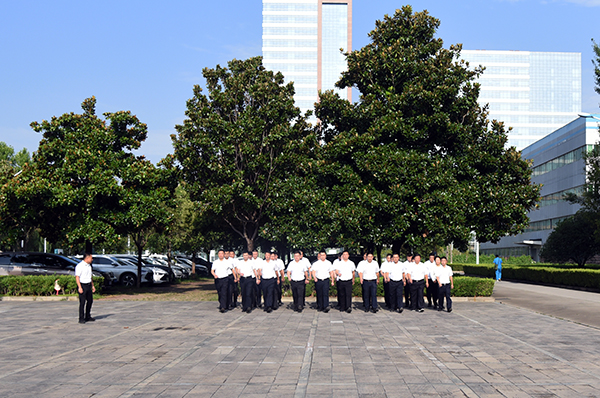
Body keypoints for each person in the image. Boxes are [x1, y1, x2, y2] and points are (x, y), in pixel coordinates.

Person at [75, 253, 96, 324]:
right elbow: (77, 277)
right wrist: (80, 287)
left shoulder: (89, 266)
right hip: (82, 285)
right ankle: (81, 318)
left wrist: (92, 285)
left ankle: (88, 316)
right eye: (91, 258)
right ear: (87, 258)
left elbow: (90, 276)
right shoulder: (80, 266)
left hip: (88, 284)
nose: (92, 259)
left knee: (90, 301)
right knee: (82, 302)